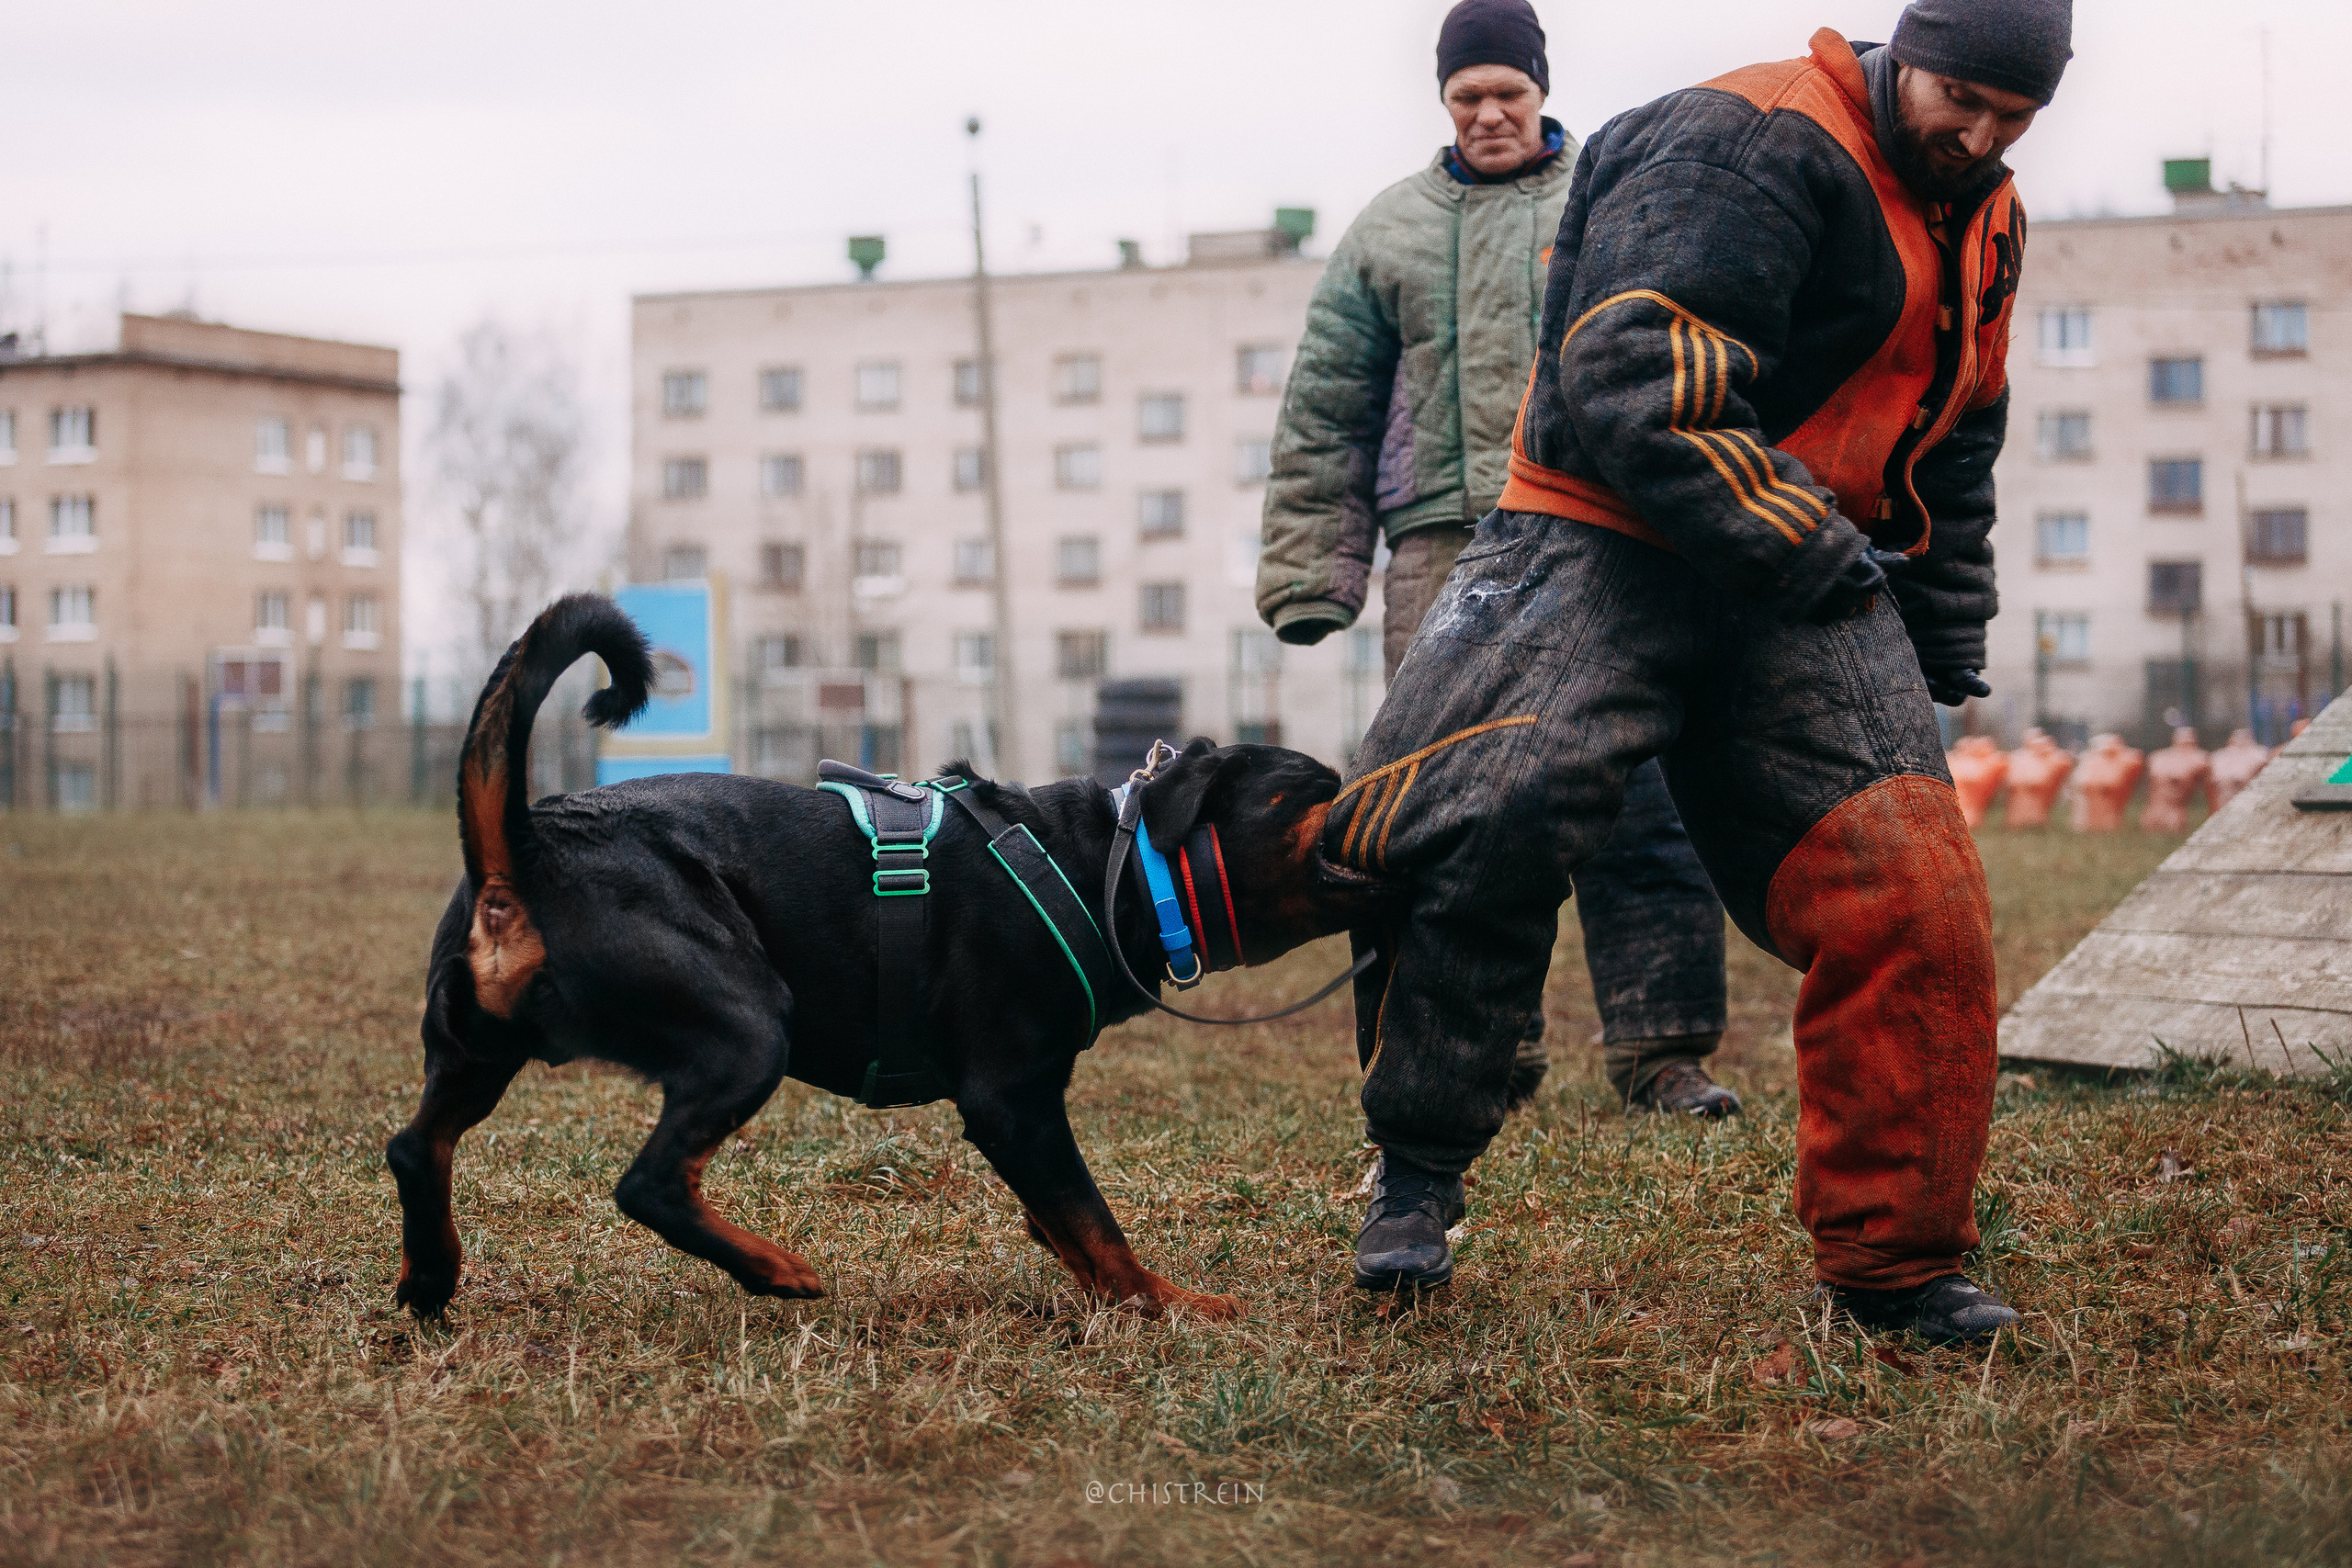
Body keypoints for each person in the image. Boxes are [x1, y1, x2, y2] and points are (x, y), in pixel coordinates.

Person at [1331, 0, 2071, 1343]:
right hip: (1598, 521)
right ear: (1911, 55)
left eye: (2017, 116)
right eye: (1963, 97)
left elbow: (1955, 435)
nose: (1983, 134)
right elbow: (1634, 371)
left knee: (1916, 887)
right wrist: (1812, 547)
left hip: (1801, 561)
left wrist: (1942, 624)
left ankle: (1896, 1261)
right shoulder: (1750, 141)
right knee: (1477, 815)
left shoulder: (1989, 219)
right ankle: (1416, 1175)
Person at [1257, 0, 1736, 1123]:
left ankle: (1663, 1053)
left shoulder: (1609, 198)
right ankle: (1480, 1053)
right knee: (1442, 804)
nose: (1487, 113)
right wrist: (1309, 575)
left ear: (1540, 91)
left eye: (1506, 93)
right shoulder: (1387, 231)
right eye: (1466, 95)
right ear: (1444, 102)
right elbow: (1327, 407)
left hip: (1607, 533)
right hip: (1438, 545)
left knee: (1639, 795)